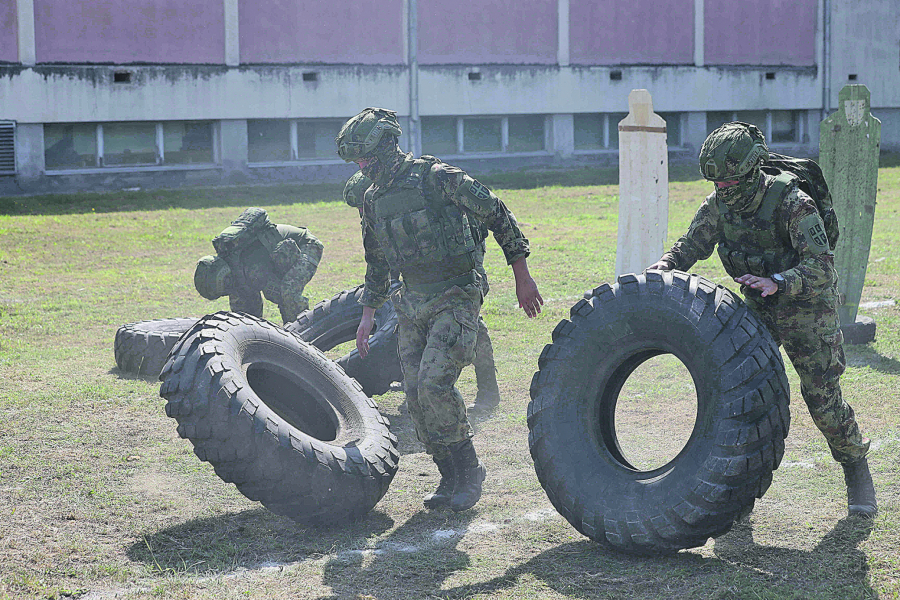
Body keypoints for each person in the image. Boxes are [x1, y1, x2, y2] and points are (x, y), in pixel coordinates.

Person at [647, 121, 876, 518]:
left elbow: (823, 269)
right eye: (717, 185)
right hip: (759, 307)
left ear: (752, 173)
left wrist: (778, 282)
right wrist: (665, 265)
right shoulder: (718, 206)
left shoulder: (793, 204)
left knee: (822, 400)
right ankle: (739, 485)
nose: (722, 191)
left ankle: (856, 466)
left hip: (807, 306)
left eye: (730, 184)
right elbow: (691, 245)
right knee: (741, 395)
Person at [336, 108, 542, 512]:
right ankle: (449, 477)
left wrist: (522, 275)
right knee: (414, 396)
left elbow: (496, 212)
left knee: (434, 384)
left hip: (456, 293)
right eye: (356, 161)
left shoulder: (437, 178)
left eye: (364, 158)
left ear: (385, 147)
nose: (361, 166)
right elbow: (376, 261)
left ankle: (469, 473)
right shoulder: (373, 200)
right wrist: (367, 316)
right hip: (410, 301)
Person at [343, 170, 503, 414]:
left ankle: (486, 391)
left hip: (461, 254)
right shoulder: (381, 208)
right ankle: (417, 389)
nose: (363, 213)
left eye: (363, 206)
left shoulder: (419, 200)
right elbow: (388, 254)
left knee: (466, 317)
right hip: (425, 269)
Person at [194, 207, 323, 325]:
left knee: (287, 292)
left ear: (223, 276)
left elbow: (281, 296)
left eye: (225, 287)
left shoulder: (249, 266)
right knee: (243, 314)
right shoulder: (233, 267)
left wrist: (291, 326)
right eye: (222, 292)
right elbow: (246, 314)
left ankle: (305, 335)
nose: (227, 291)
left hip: (307, 245)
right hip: (280, 257)